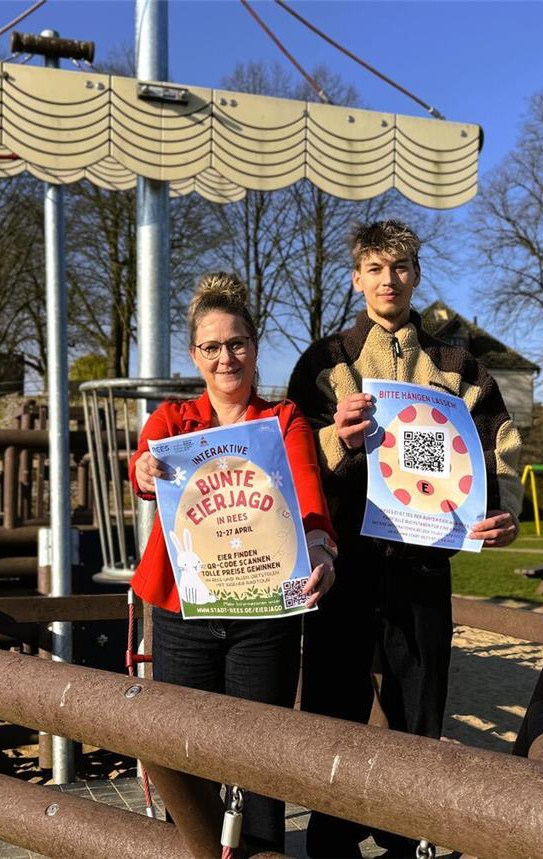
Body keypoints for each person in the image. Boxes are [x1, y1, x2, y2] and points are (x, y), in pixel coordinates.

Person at [287, 220, 522, 857]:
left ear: (416, 276)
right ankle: (331, 835)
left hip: (424, 560)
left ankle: (407, 834)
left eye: (400, 268)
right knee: (335, 696)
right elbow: (293, 450)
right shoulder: (324, 361)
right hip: (344, 559)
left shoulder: (459, 365)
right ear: (357, 276)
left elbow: (498, 445)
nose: (388, 280)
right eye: (375, 268)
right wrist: (337, 436)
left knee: (419, 701)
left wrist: (506, 513)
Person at [130, 271, 338, 855]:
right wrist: (143, 471)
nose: (227, 358)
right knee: (183, 751)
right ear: (196, 355)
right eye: (212, 347)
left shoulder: (285, 420)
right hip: (182, 608)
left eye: (238, 344)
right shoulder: (173, 420)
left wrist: (320, 547)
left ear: (254, 346)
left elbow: (306, 490)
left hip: (264, 607)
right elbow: (144, 468)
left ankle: (264, 850)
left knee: (261, 756)